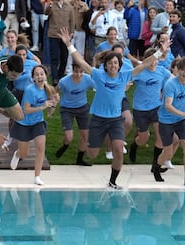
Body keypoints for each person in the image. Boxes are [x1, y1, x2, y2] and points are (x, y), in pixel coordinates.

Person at [58, 26, 169, 189]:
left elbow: (145, 64)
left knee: (118, 149)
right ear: (106, 65)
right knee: (92, 154)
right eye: (110, 63)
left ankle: (113, 181)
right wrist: (69, 44)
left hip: (116, 119)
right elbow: (81, 61)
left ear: (119, 64)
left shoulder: (125, 75)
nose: (113, 65)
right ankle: (97, 141)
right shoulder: (98, 74)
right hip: (98, 119)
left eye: (116, 63)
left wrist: (160, 51)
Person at [152, 57, 185, 189]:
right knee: (167, 152)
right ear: (177, 70)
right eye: (182, 69)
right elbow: (167, 106)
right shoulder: (170, 84)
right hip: (166, 120)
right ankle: (157, 167)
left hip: (181, 120)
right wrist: (184, 113)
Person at [9, 65, 59, 185]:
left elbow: (50, 113)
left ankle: (37, 176)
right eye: (36, 74)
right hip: (23, 122)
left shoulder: (49, 90)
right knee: (24, 154)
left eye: (42, 74)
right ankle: (17, 154)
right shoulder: (30, 90)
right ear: (33, 78)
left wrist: (54, 104)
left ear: (46, 76)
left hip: (38, 122)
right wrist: (43, 106)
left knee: (41, 147)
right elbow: (26, 110)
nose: (39, 76)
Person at [128, 48, 171, 172]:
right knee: (143, 138)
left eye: (155, 60)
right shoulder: (140, 73)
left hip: (156, 108)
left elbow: (174, 80)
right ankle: (135, 145)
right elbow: (127, 80)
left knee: (160, 137)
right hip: (140, 109)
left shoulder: (162, 72)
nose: (153, 63)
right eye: (151, 61)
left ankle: (155, 166)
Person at [55, 63, 95, 166]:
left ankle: (80, 159)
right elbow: (55, 91)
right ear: (72, 70)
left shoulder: (88, 79)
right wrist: (54, 99)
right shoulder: (64, 81)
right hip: (67, 109)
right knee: (69, 137)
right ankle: (65, 145)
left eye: (81, 72)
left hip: (83, 108)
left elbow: (99, 87)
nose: (78, 74)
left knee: (85, 136)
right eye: (76, 72)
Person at [44, 0, 74, 85]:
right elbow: (46, 13)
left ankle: (60, 76)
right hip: (54, 35)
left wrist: (71, 33)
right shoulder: (52, 5)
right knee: (54, 58)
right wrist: (49, 7)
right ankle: (54, 78)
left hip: (65, 36)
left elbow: (72, 21)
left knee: (64, 58)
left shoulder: (69, 6)